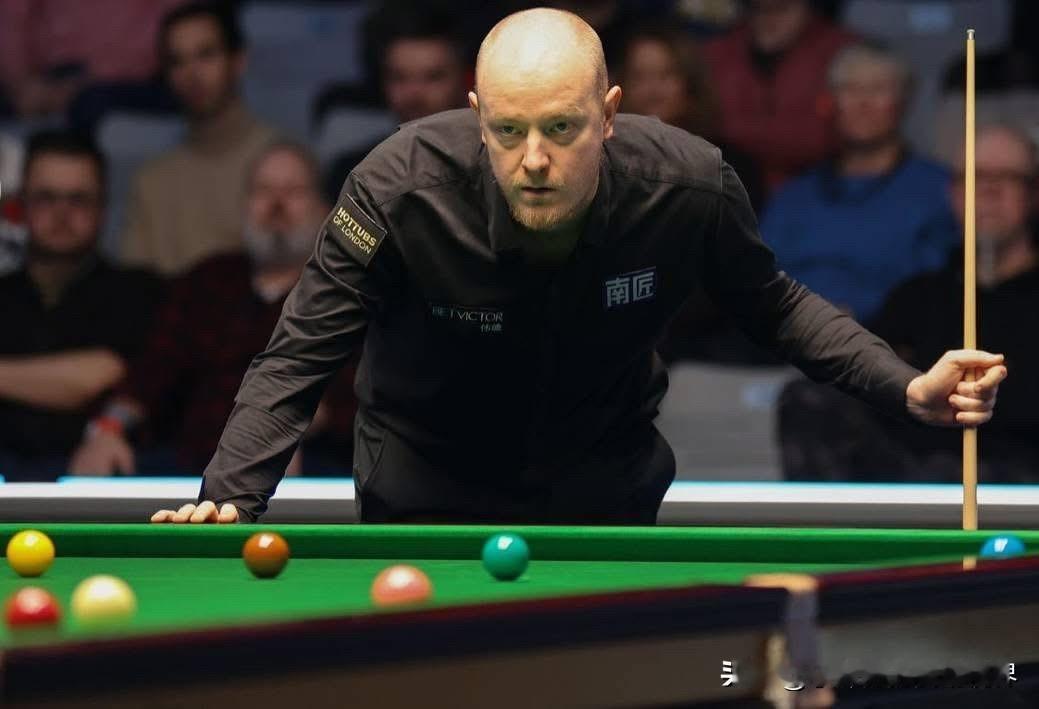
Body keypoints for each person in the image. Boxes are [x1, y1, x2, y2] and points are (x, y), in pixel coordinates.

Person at [153, 9, 1006, 526]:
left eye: (561, 128)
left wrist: (905, 387)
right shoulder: (394, 188)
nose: (533, 159)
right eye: (507, 130)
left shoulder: (687, 186)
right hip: (423, 491)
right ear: (476, 116)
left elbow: (774, 307)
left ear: (608, 114)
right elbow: (300, 352)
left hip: (603, 493)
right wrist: (230, 494)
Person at [70, 142, 357, 477]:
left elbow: (358, 393)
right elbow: (152, 371)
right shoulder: (208, 280)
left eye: (293, 191)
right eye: (263, 191)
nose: (276, 205)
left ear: (324, 208)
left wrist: (290, 428)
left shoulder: (345, 289)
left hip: (306, 462)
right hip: (192, 463)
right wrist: (107, 429)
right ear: (244, 205)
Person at [779, 123, 1039, 482]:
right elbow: (870, 389)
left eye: (1008, 177)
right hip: (910, 475)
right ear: (954, 194)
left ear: (1033, 194)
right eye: (975, 177)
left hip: (1020, 481)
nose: (989, 190)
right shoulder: (916, 295)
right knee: (807, 399)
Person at [0, 132, 162, 481]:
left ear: (102, 209)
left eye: (78, 199)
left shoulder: (138, 291)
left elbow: (97, 375)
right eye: (46, 198)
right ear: (20, 205)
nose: (61, 213)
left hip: (94, 482)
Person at [761, 42, 960, 324]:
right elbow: (760, 277)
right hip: (785, 335)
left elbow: (937, 286)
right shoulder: (794, 195)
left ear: (904, 101)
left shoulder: (939, 190)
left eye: (878, 89)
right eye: (850, 89)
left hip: (890, 338)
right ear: (830, 101)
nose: (863, 103)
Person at [120, 2, 278, 276]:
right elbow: (136, 289)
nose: (192, 74)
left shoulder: (286, 166)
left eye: (206, 55)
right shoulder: (150, 182)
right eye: (177, 61)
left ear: (238, 60)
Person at [703, 0, 856, 195]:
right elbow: (698, 123)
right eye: (758, 9)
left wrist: (729, 129)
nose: (768, 19)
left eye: (781, 8)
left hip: (821, 190)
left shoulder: (842, 52)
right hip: (726, 189)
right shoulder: (716, 53)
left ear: (808, 9)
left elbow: (820, 138)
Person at [321, 8, 471, 201]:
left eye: (433, 77)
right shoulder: (353, 174)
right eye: (399, 77)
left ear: (465, 80)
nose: (413, 94)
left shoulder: (497, 168)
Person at [0, 0, 183, 120]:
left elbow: (179, 27)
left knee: (90, 104)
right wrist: (21, 84)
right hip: (42, 79)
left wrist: (87, 81)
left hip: (129, 81)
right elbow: (11, 18)